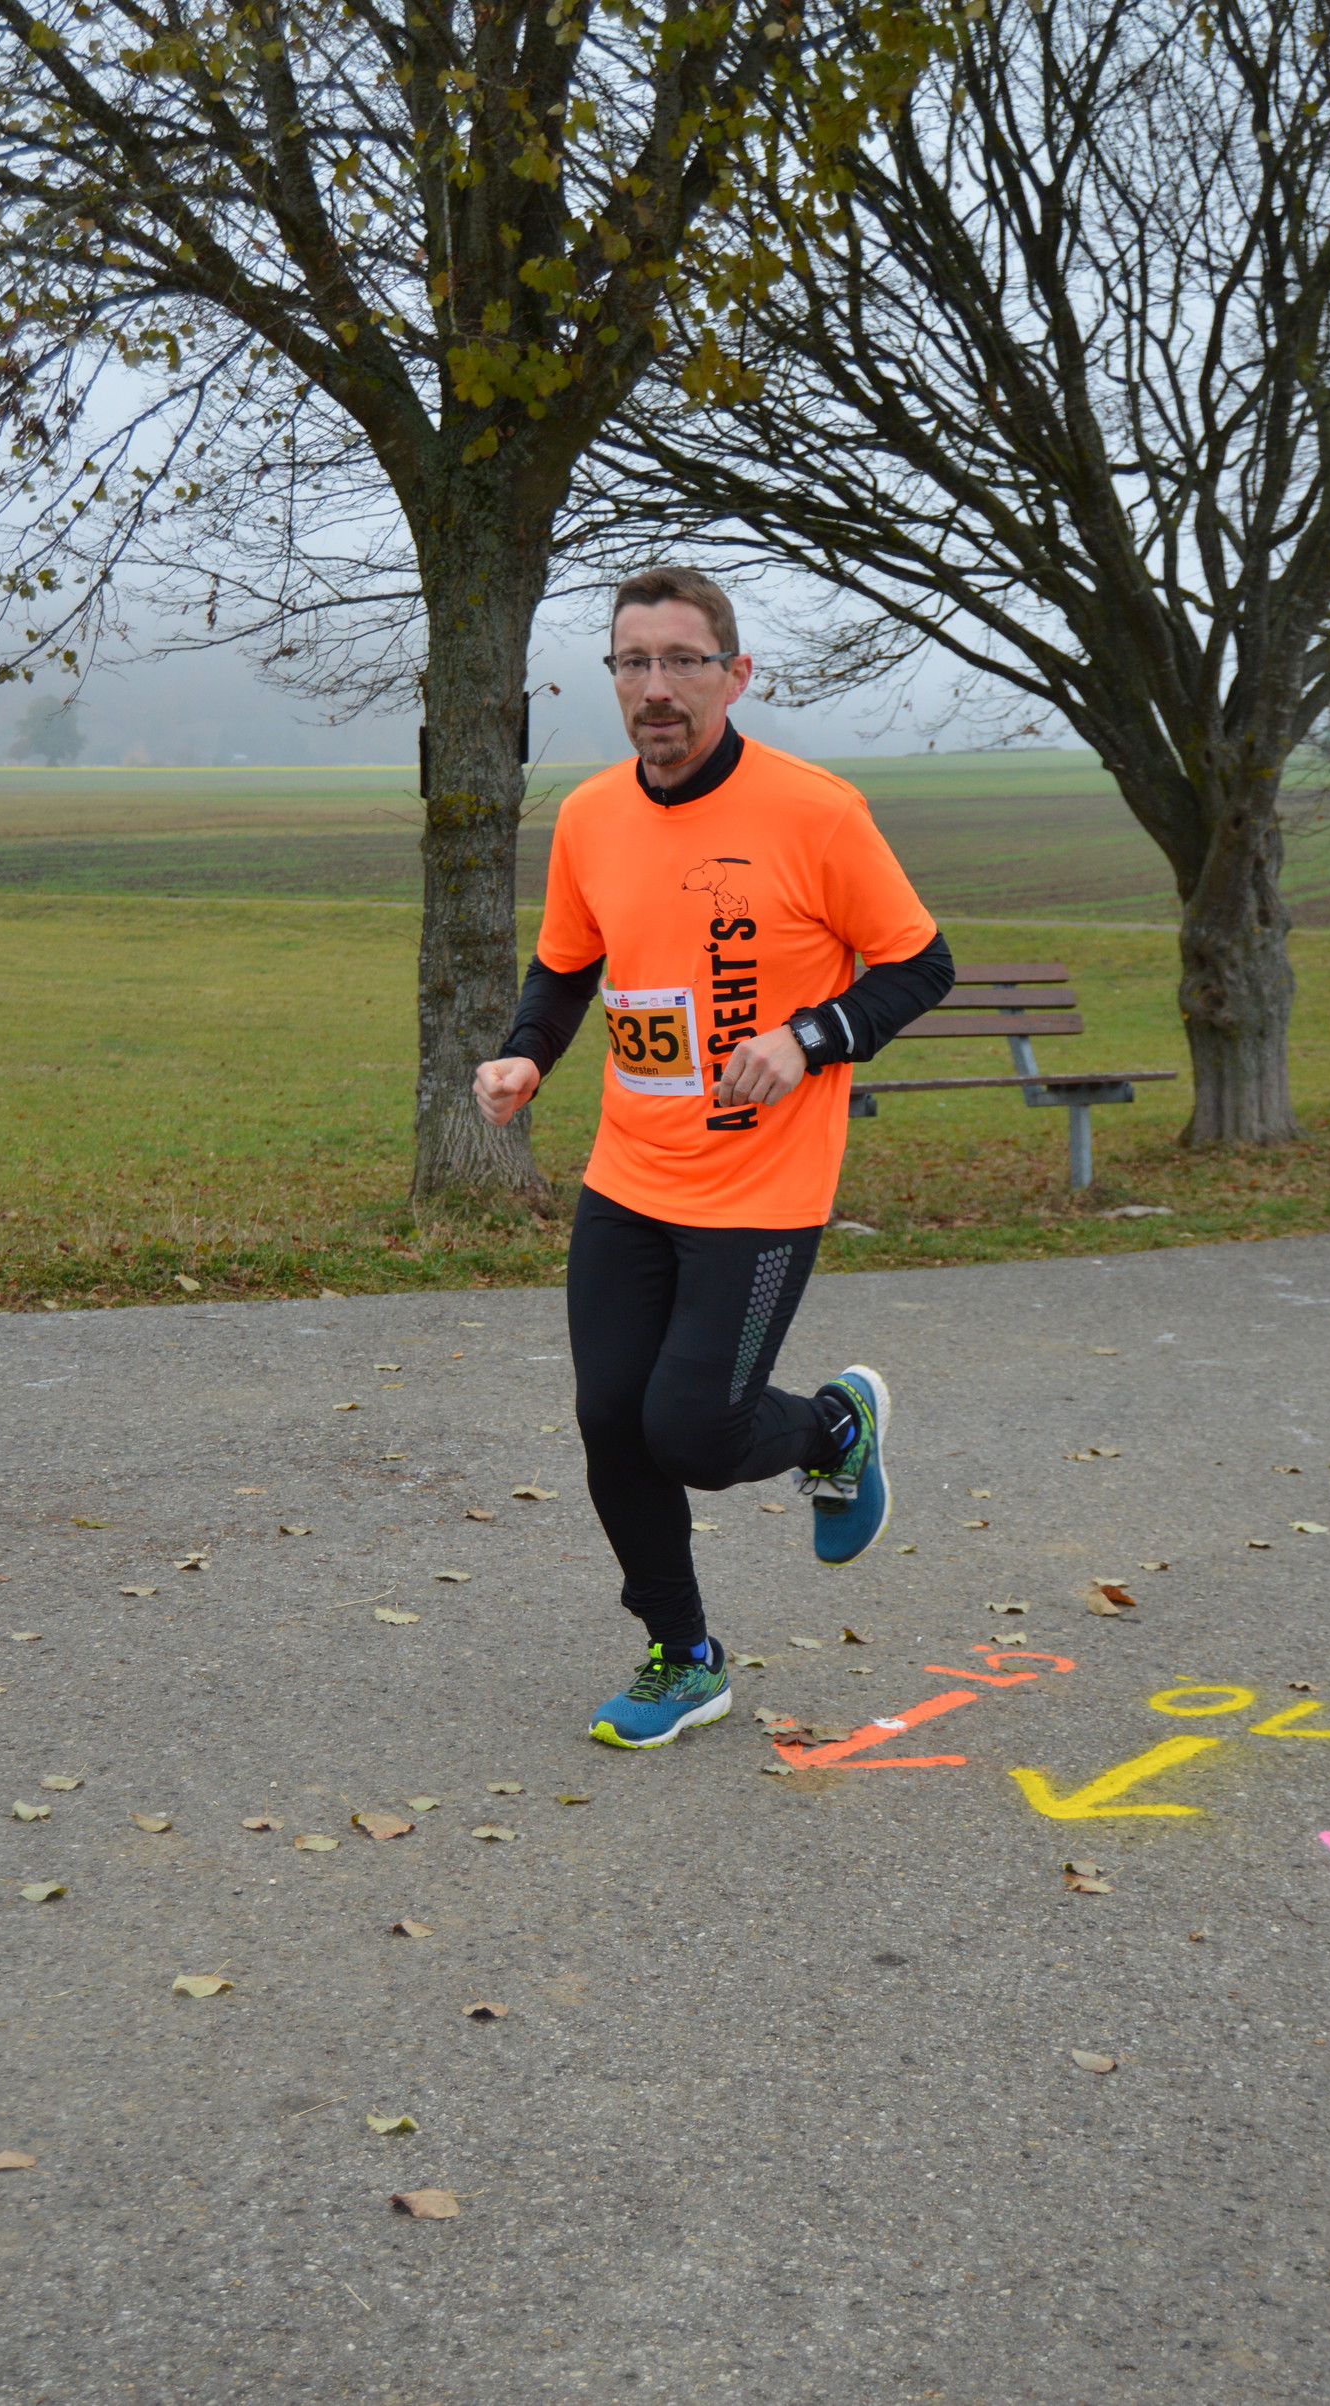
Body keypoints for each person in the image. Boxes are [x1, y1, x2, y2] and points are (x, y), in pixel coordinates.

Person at [474, 567, 953, 1748]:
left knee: (689, 1432)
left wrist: (807, 1037)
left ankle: (832, 1430)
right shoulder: (591, 816)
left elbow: (918, 964)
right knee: (609, 1419)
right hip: (629, 1176)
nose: (656, 687)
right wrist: (526, 1054)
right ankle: (682, 1656)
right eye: (633, 662)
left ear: (735, 677)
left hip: (761, 1186)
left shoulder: (814, 812)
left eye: (682, 661)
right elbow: (566, 966)